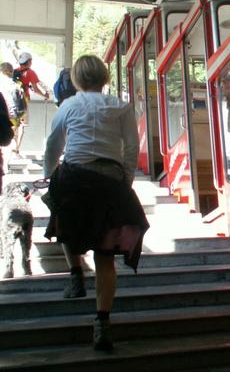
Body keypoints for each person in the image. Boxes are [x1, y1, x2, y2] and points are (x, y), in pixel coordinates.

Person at [42, 54, 149, 351]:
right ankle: (102, 324)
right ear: (104, 77)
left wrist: (48, 173)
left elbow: (54, 144)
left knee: (60, 214)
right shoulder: (121, 106)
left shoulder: (68, 105)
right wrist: (125, 179)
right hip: (109, 182)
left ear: (77, 79)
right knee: (105, 257)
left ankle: (75, 275)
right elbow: (131, 146)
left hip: (74, 178)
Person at [13, 51, 49, 156]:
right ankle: (17, 149)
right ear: (28, 61)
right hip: (23, 100)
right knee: (21, 125)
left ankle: (11, 147)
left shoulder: (14, 71)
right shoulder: (30, 72)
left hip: (12, 100)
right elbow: (36, 89)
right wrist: (45, 95)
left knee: (14, 123)